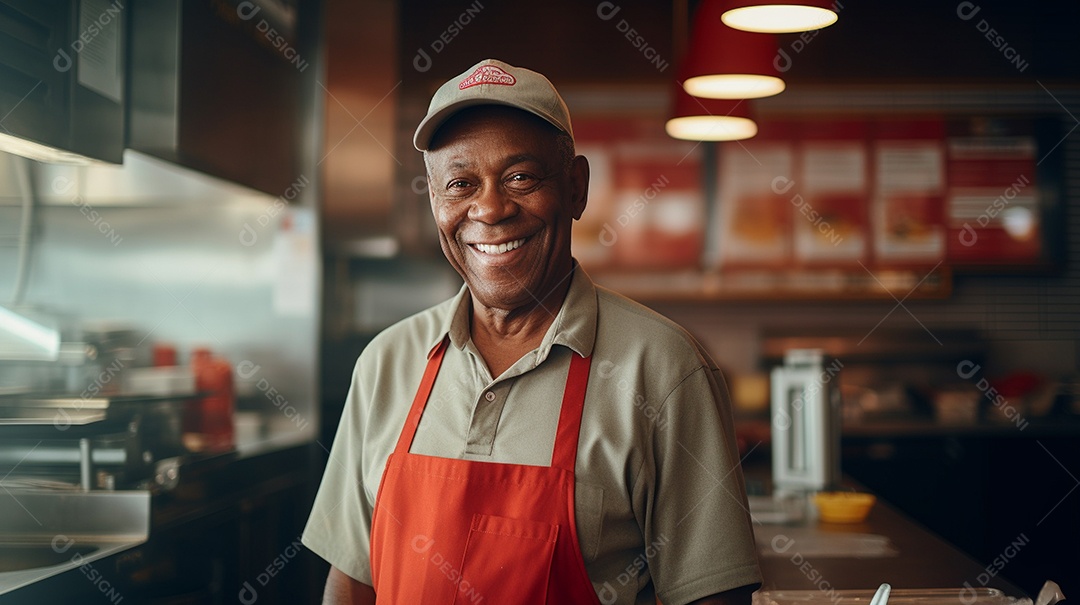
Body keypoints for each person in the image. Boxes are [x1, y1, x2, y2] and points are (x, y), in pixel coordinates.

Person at [302, 58, 762, 605]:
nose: (490, 208)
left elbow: (713, 599)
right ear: (433, 200)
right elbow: (352, 582)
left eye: (521, 177)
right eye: (460, 183)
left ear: (575, 188)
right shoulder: (387, 361)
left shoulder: (664, 367)